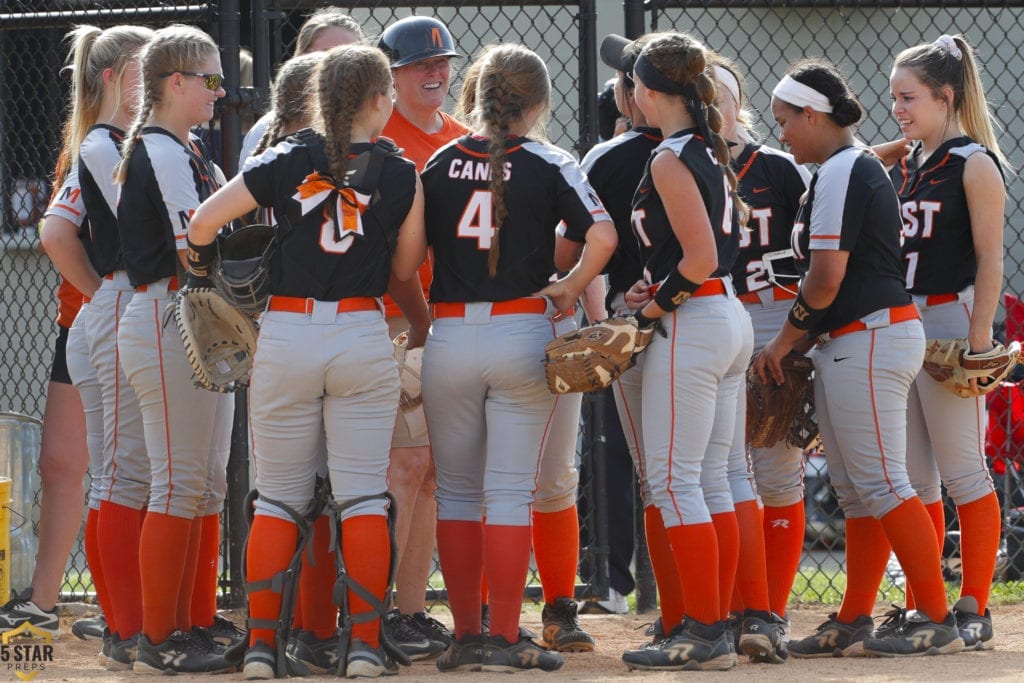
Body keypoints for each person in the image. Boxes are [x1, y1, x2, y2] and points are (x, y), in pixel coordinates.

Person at [189, 43, 428, 679]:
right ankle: (366, 650)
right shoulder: (401, 172)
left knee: (276, 501)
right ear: (378, 100)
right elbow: (405, 271)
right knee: (362, 499)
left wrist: (203, 275)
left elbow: (203, 223)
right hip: (360, 331)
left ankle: (264, 649)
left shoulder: (288, 157)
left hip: (289, 332)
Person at [753, 58, 963, 658]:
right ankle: (852, 619)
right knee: (855, 490)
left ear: (814, 115)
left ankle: (936, 616)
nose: (782, 132)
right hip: (859, 337)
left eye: (787, 119)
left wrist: (782, 341)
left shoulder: (843, 168)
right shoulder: (846, 165)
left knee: (881, 483)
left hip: (868, 335)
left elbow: (823, 280)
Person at [420, 43, 616, 672]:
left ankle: (465, 635)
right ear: (536, 105)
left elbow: (405, 263)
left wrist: (427, 321)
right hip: (521, 331)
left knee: (455, 496)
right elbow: (603, 235)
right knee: (508, 494)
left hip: (448, 335)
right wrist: (569, 285)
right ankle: (505, 637)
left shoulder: (440, 160)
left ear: (474, 95)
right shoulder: (548, 160)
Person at [0, 26, 152, 656]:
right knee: (65, 465)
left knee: (137, 470)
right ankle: (40, 602)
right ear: (115, 74)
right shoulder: (91, 146)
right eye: (150, 68)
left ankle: (136, 606)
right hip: (86, 324)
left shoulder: (159, 146)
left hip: (141, 326)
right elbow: (55, 236)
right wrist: (98, 297)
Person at [608, 32, 753, 672]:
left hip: (694, 323)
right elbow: (698, 259)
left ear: (646, 91)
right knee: (711, 483)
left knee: (674, 482)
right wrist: (661, 287)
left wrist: (645, 311)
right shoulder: (703, 148)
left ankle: (704, 629)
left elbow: (699, 259)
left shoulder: (670, 155)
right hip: (722, 317)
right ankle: (714, 626)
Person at [112, 24, 237, 674]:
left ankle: (192, 622)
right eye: (210, 78)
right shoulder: (161, 150)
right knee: (178, 481)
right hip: (168, 311)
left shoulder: (194, 153)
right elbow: (198, 241)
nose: (221, 90)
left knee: (207, 483)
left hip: (198, 315)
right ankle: (159, 637)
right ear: (175, 82)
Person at [886, 34, 1009, 651]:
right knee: (913, 475)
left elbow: (990, 259)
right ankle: (923, 602)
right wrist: (897, 145)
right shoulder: (907, 162)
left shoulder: (973, 161)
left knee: (962, 467)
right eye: (894, 98)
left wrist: (979, 337)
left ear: (946, 97)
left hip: (949, 318)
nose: (899, 109)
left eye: (909, 97)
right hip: (902, 325)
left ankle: (975, 605)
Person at [376, 15, 466, 659]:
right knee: (401, 469)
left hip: (449, 321)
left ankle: (411, 609)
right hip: (390, 319)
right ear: (392, 76)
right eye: (417, 66)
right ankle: (376, 612)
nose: (434, 73)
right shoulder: (381, 139)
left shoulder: (465, 140)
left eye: (441, 63)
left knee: (432, 472)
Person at [713, 54, 811, 645]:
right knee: (719, 470)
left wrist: (801, 334)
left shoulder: (776, 167)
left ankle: (769, 609)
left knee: (778, 467)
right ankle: (722, 606)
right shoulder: (680, 161)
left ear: (736, 103)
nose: (710, 108)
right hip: (715, 318)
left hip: (774, 314)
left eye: (719, 96)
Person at [580, 33, 665, 620]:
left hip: (622, 321)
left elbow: (581, 247)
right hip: (706, 314)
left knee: (611, 454)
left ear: (633, 93)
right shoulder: (721, 150)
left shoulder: (607, 158)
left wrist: (600, 310)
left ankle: (608, 580)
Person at [238, 9, 363, 165]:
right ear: (302, 58)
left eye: (351, 55)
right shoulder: (268, 129)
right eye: (327, 53)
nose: (340, 64)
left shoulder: (376, 118)